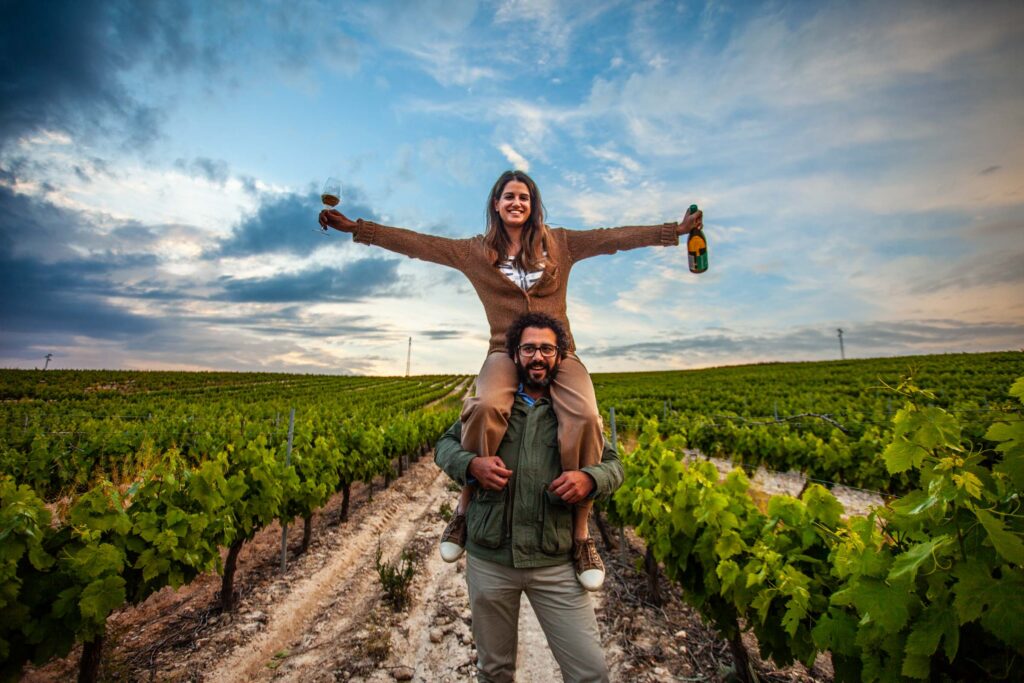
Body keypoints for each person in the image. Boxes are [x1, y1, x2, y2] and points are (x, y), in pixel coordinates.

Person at [319, 170, 702, 589]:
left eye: (524, 197)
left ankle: (581, 534)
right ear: (496, 204)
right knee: (485, 406)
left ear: (533, 205)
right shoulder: (473, 251)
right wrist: (357, 229)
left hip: (558, 351)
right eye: (509, 197)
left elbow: (614, 238)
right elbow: (418, 244)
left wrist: (675, 231)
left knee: (586, 417)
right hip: (505, 349)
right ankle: (465, 509)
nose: (516, 203)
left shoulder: (561, 243)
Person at [434, 313, 622, 683]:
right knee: (494, 671)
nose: (538, 357)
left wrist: (590, 478)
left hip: (555, 561)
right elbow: (445, 445)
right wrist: (472, 465)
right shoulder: (494, 406)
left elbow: (613, 464)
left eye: (547, 349)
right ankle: (460, 518)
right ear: (515, 355)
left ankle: (583, 541)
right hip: (491, 559)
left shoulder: (572, 409)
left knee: (590, 672)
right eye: (529, 349)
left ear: (560, 356)